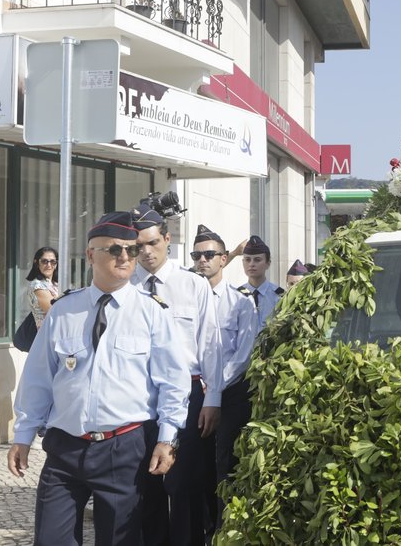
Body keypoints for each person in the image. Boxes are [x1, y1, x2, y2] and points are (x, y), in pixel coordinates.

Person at [7, 212, 189, 545]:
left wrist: (168, 437)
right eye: (114, 249)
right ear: (91, 255)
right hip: (65, 447)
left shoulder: (151, 312)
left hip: (125, 448)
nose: (125, 257)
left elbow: (173, 382)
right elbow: (39, 378)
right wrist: (23, 433)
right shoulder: (64, 310)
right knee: (50, 539)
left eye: (131, 250)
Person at [131, 204, 223, 546]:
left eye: (152, 243)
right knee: (145, 486)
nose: (146, 252)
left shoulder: (192, 285)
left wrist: (212, 399)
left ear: (167, 240)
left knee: (184, 486)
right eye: (138, 245)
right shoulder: (128, 288)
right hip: (140, 397)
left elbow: (210, 345)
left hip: (188, 395)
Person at [190, 224, 259, 531]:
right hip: (193, 391)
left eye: (209, 254)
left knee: (224, 465)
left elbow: (244, 353)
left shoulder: (240, 302)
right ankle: (199, 528)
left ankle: (224, 530)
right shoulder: (185, 299)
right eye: (197, 255)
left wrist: (214, 386)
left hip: (230, 394)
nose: (202, 260)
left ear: (223, 259)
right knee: (195, 466)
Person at [240, 235, 284, 329]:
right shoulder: (236, 295)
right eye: (247, 260)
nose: (251, 264)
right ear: (243, 262)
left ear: (268, 263)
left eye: (257, 260)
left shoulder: (279, 296)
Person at [24, 246, 60, 331]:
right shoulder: (37, 285)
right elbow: (55, 311)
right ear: (37, 263)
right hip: (46, 335)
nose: (49, 265)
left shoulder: (56, 284)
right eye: (44, 261)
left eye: (53, 261)